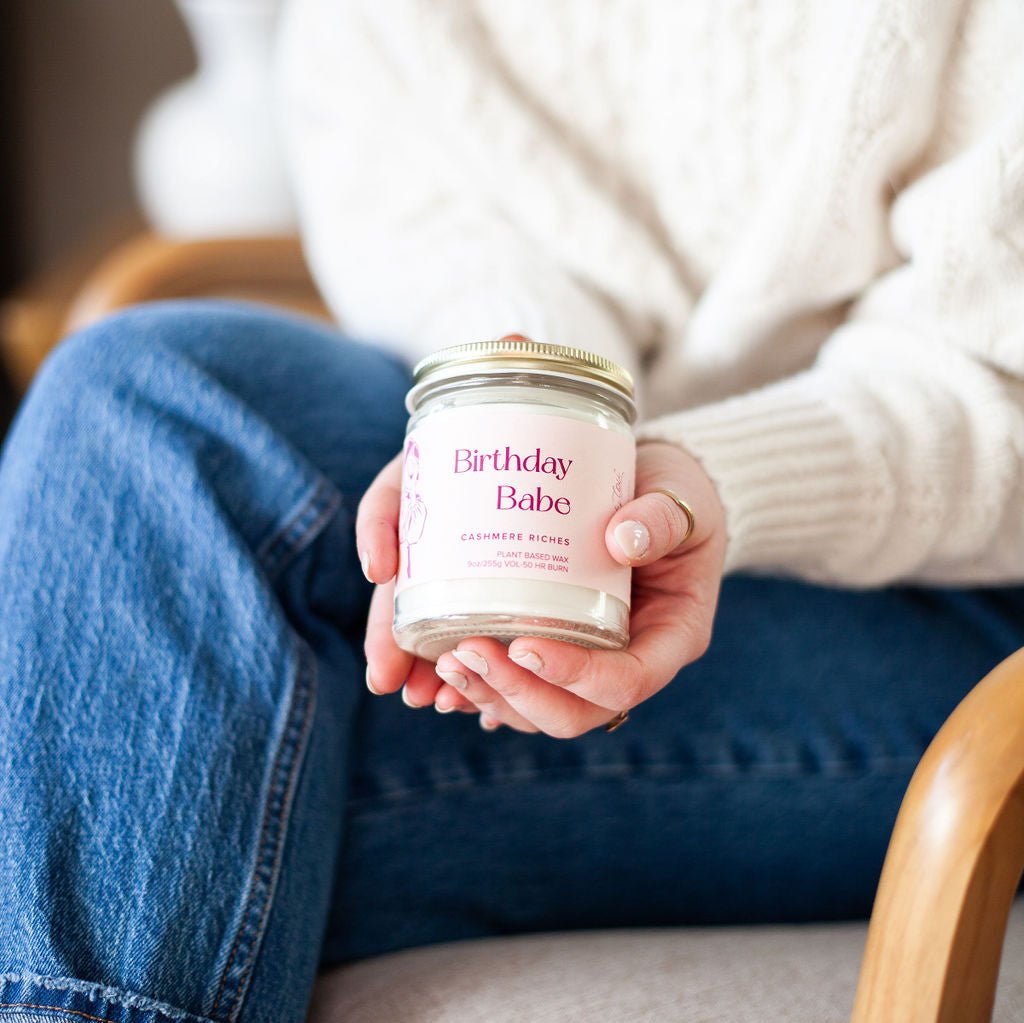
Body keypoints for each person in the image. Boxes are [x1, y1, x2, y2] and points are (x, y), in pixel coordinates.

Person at [2, 2, 1023, 1022]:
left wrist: (713, 480)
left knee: (132, 812)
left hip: (943, 603)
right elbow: (421, 197)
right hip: (575, 489)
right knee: (149, 399)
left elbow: (992, 377)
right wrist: (515, 423)